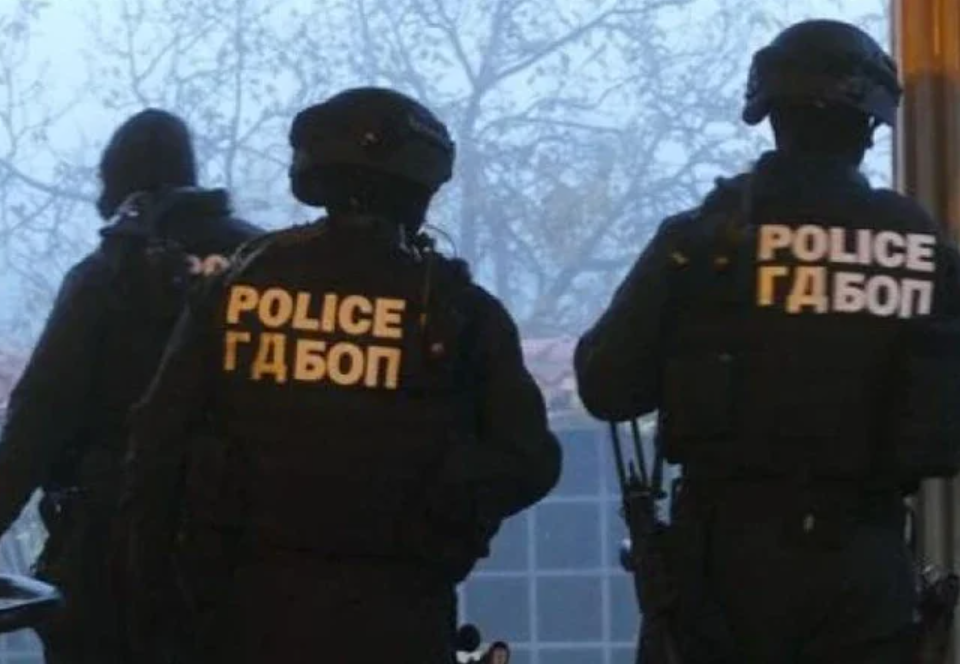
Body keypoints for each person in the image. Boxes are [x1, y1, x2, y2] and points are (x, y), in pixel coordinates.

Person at [120, 87, 562, 664]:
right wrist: (441, 510)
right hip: (398, 615)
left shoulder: (235, 290)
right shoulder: (456, 309)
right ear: (419, 186)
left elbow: (155, 447)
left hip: (242, 616)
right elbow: (530, 460)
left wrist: (154, 603)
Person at [575, 19, 960, 664]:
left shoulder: (701, 241)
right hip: (864, 569)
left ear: (770, 113)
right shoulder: (923, 252)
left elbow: (606, 387)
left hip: (721, 574)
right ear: (871, 125)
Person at [0, 108, 261, 664]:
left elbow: (38, 418)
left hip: (110, 556)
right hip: (245, 562)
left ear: (117, 186)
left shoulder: (107, 276)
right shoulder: (265, 266)